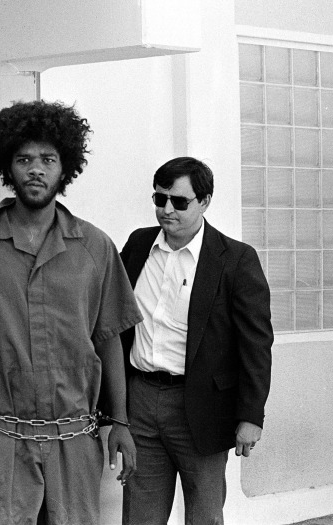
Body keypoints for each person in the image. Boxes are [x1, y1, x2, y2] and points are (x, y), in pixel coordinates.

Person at [0, 100, 143, 525]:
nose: (36, 169)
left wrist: (120, 421)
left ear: (66, 168)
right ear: (7, 166)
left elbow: (110, 338)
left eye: (48, 159)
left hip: (74, 439)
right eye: (24, 159)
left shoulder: (95, 246)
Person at [119, 157, 273, 524]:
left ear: (204, 202)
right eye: (160, 199)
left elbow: (256, 344)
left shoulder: (235, 259)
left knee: (204, 515)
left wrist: (251, 415)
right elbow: (115, 320)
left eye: (179, 202)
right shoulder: (139, 244)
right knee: (139, 515)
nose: (167, 209)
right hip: (140, 399)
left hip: (201, 407)